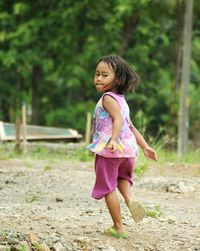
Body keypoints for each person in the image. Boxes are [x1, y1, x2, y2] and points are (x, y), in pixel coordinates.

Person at [87, 55, 157, 238]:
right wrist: (145, 147)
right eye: (97, 74)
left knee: (108, 187)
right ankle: (129, 199)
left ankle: (118, 227)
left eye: (104, 75)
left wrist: (112, 140)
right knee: (121, 179)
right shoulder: (122, 100)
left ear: (117, 79)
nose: (98, 79)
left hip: (110, 150)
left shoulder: (108, 98)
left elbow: (118, 120)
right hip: (128, 152)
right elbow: (131, 126)